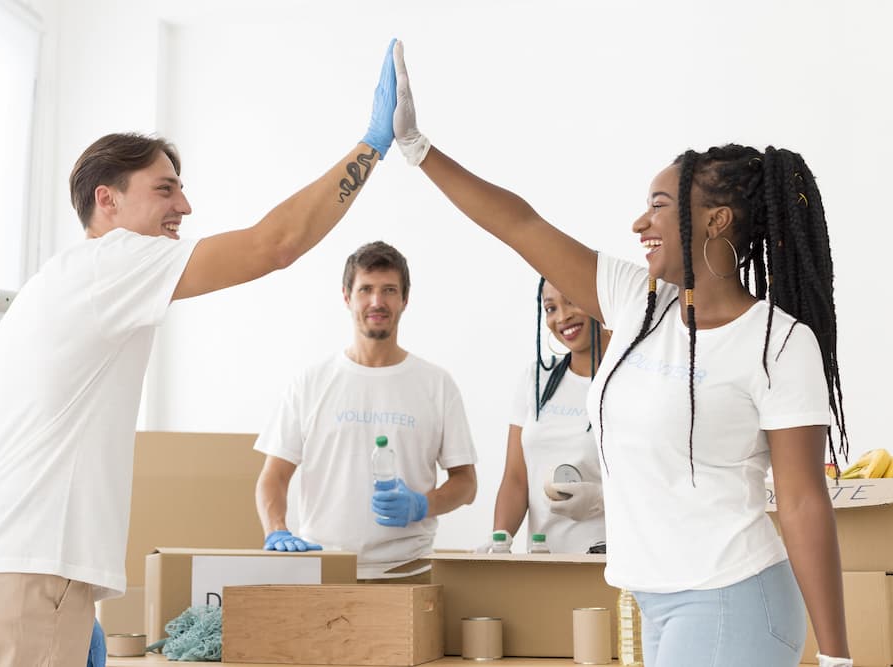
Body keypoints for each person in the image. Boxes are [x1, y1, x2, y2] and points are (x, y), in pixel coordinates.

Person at [0, 39, 400, 667]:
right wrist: (372, 146)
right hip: (25, 575)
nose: (186, 206)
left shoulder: (54, 284)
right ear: (107, 201)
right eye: (165, 189)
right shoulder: (115, 261)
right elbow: (275, 245)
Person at [388, 41, 852, 667]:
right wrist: (418, 149)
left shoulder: (778, 343)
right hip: (653, 600)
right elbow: (520, 225)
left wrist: (837, 657)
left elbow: (801, 502)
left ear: (716, 222)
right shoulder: (639, 302)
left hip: (733, 596)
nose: (639, 223)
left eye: (660, 206)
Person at [254, 240, 478, 582]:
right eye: (366, 290)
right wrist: (276, 530)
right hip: (325, 570)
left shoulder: (436, 384)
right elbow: (273, 477)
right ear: (347, 297)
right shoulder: (310, 383)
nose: (377, 301)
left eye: (389, 290)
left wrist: (422, 504)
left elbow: (466, 483)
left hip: (410, 570)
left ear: (405, 299)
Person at [480, 279, 610, 555]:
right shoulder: (537, 379)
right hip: (544, 560)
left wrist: (602, 500)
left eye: (572, 300)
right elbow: (516, 478)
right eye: (550, 308)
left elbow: (658, 482)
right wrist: (500, 540)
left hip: (611, 560)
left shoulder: (631, 380)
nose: (562, 317)